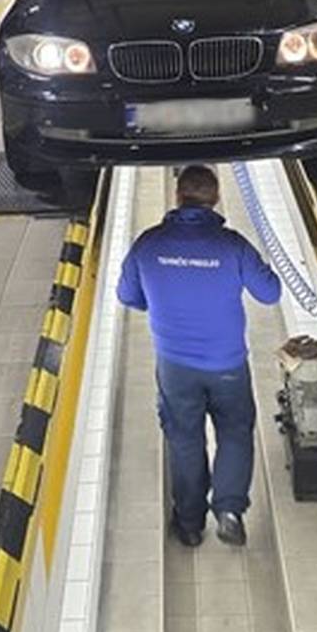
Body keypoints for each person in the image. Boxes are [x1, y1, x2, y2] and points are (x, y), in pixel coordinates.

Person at [116, 163, 281, 547]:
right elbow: (270, 293)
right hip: (227, 363)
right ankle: (228, 510)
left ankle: (190, 525)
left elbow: (127, 295)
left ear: (178, 196)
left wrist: (161, 302)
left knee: (184, 438)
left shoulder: (148, 243)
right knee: (235, 432)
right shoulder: (233, 245)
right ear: (216, 197)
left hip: (174, 365)